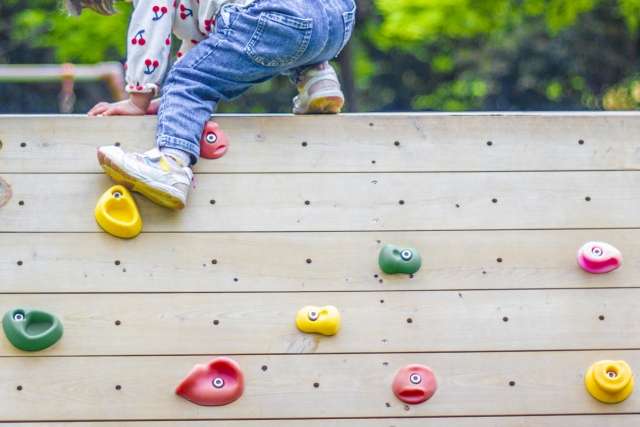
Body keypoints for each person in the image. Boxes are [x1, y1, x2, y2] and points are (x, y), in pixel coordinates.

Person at [67, 0, 355, 210]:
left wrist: (138, 98)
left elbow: (151, 29)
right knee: (284, 36)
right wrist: (171, 104)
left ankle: (171, 164)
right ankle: (317, 80)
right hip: (338, 17)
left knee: (189, 79)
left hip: (276, 17)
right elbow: (204, 51)